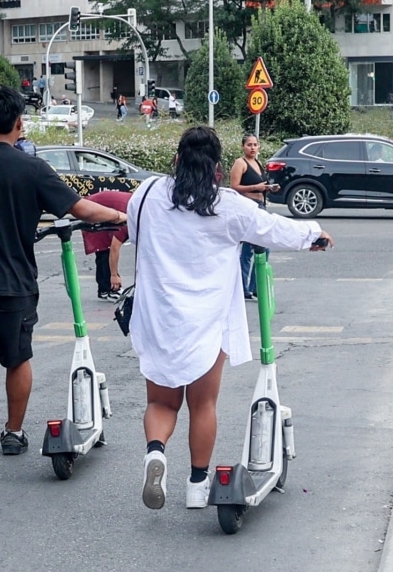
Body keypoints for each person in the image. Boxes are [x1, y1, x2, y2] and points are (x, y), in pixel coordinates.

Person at [129, 126, 333, 511]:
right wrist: (314, 233)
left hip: (159, 317)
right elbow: (272, 229)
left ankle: (155, 453)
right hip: (207, 321)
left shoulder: (148, 194)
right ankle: (196, 484)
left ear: (176, 160)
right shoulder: (227, 205)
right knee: (202, 405)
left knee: (162, 403)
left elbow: (137, 235)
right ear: (218, 169)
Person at [0, 86, 127, 473]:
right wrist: (120, 216)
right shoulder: (32, 168)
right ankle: (13, 432)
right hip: (13, 282)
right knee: (17, 358)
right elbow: (80, 209)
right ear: (19, 123)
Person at [229, 134, 280, 299]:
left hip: (260, 206)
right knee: (248, 250)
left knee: (263, 247)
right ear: (243, 146)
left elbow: (261, 185)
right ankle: (244, 288)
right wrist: (254, 187)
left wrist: (269, 188)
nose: (252, 148)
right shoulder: (240, 163)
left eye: (255, 145)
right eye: (249, 144)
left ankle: (255, 286)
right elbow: (234, 187)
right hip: (247, 208)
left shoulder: (257, 163)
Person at [82, 190, 131, 301]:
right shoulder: (129, 220)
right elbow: (114, 247)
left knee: (103, 250)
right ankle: (110, 289)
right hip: (94, 208)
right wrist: (114, 275)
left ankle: (104, 289)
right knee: (104, 248)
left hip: (103, 207)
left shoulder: (138, 209)